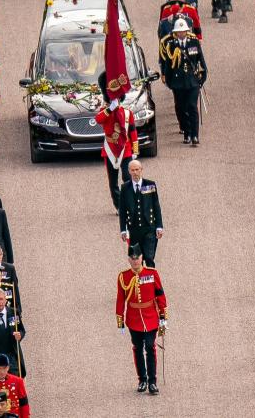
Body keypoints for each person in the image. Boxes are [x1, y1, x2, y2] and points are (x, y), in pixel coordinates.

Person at [115, 245, 168, 394]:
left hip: (151, 317)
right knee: (137, 348)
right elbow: (120, 299)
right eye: (132, 259)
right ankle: (142, 380)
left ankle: (152, 382)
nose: (135, 261)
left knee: (150, 347)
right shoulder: (123, 277)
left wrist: (163, 318)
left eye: (137, 258)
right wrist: (120, 321)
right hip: (133, 319)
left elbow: (160, 296)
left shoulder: (152, 274)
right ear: (129, 260)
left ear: (142, 258)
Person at [159, 18, 206, 145]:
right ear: (175, 33)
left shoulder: (193, 42)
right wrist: (168, 81)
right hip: (178, 82)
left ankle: (195, 135)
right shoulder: (172, 45)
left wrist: (203, 77)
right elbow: (168, 65)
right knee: (181, 107)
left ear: (187, 31)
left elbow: (200, 60)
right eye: (179, 32)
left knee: (192, 106)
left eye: (183, 31)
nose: (181, 34)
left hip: (192, 81)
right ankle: (186, 133)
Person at [96, 71, 139, 209]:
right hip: (110, 150)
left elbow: (132, 132)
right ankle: (119, 206)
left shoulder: (127, 113)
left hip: (125, 149)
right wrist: (110, 109)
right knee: (113, 182)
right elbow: (98, 119)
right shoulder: (105, 111)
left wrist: (135, 150)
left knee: (128, 177)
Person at [119, 160, 163, 267]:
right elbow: (122, 210)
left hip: (149, 228)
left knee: (149, 257)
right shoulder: (125, 188)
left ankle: (151, 282)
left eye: (137, 169)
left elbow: (156, 206)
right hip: (133, 230)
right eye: (132, 170)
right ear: (129, 171)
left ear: (141, 170)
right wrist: (123, 230)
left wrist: (159, 226)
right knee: (136, 260)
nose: (135, 172)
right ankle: (138, 283)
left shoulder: (150, 185)